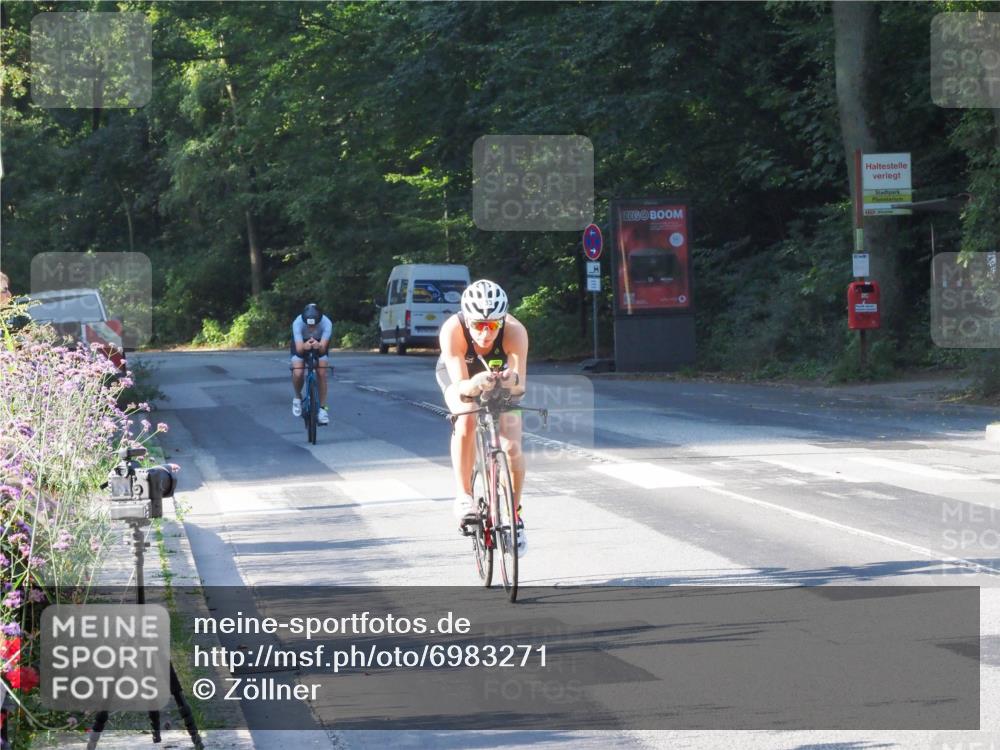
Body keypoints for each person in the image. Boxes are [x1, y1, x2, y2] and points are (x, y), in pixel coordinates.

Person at [436, 279, 529, 554]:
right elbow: (462, 386)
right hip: (462, 376)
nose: (485, 333)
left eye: (492, 325)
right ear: (467, 319)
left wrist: (511, 378)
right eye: (478, 325)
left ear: (502, 321)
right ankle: (464, 496)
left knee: (511, 446)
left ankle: (514, 515)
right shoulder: (453, 329)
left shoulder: (515, 331)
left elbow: (520, 386)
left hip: (500, 379)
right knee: (466, 414)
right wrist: (476, 382)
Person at [290, 302, 332, 425]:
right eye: (309, 326)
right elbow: (298, 349)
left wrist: (319, 346)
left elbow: (323, 349)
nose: (312, 329)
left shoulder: (326, 323)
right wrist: (305, 346)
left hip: (320, 342)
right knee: (298, 372)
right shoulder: (297, 323)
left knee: (322, 372)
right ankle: (297, 397)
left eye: (315, 326)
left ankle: (323, 409)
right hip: (301, 342)